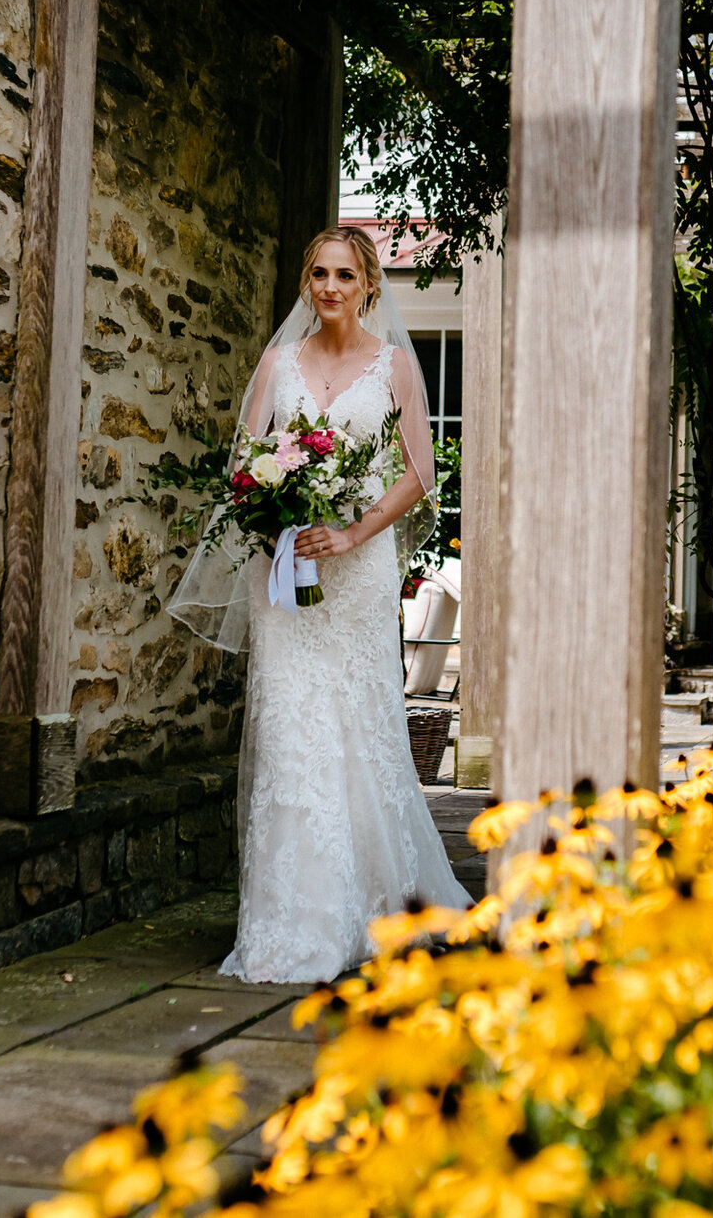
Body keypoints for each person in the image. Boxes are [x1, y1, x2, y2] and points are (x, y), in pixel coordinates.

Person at [169, 226, 470, 981]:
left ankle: (374, 900)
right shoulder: (278, 362)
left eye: (344, 275)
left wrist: (355, 530)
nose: (330, 287)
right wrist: (277, 511)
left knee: (361, 727)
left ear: (369, 284)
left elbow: (419, 472)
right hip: (286, 574)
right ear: (307, 282)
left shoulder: (396, 364)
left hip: (358, 573)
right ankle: (291, 918)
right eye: (318, 274)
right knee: (291, 733)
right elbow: (247, 465)